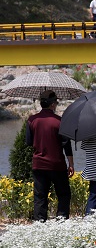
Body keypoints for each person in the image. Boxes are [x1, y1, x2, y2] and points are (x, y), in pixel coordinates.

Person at [25, 90, 74, 222]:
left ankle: (40, 223)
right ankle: (61, 220)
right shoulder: (59, 121)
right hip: (57, 165)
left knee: (40, 197)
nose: (57, 105)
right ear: (52, 104)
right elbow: (66, 144)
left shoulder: (31, 120)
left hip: (39, 164)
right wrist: (71, 164)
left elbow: (29, 142)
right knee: (63, 194)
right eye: (56, 102)